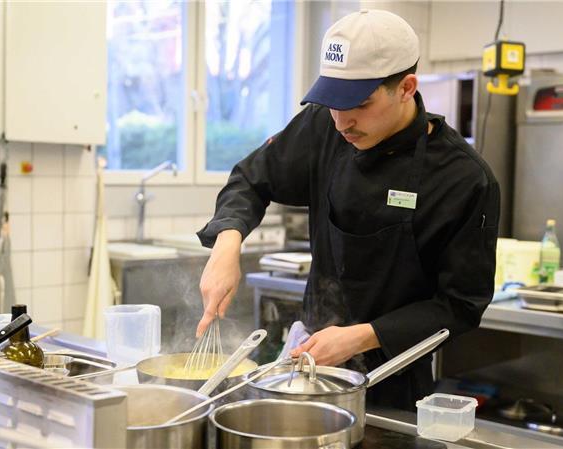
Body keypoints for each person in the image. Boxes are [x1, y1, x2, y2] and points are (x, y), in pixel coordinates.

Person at [196, 9, 500, 411]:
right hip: (308, 364)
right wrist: (227, 243)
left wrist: (360, 336)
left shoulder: (463, 179)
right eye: (332, 102)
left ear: (406, 87)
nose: (341, 121)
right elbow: (251, 179)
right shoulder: (323, 125)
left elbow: (461, 306)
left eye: (358, 103)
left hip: (392, 379)